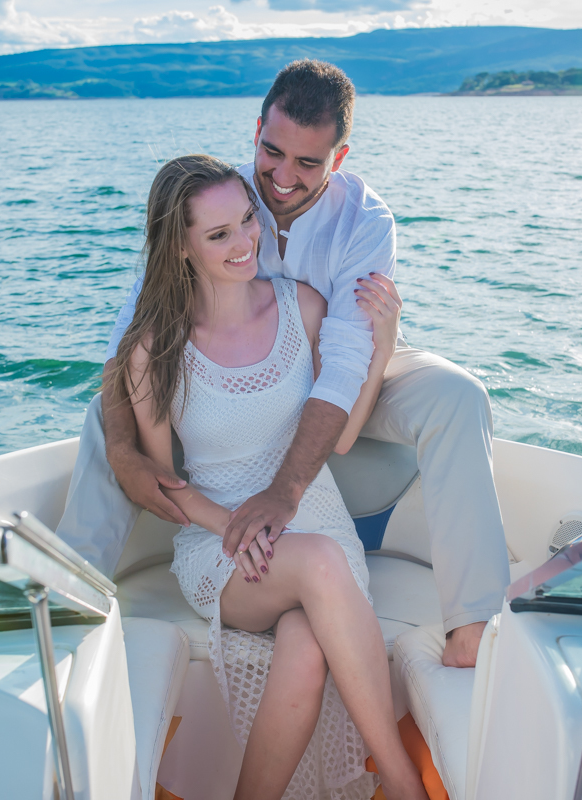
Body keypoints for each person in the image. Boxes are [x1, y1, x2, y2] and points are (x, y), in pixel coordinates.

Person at [57, 59, 511, 668]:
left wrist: (284, 492)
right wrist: (124, 455)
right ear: (256, 133)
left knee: (457, 394)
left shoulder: (366, 222)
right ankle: (61, 602)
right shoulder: (218, 200)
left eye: (308, 163)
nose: (283, 177)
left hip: (346, 370)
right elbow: (127, 336)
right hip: (235, 373)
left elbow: (349, 359)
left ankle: (472, 626)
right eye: (273, 153)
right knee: (105, 411)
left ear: (339, 159)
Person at [112, 153, 425, 799]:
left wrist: (383, 346)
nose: (246, 242)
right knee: (315, 567)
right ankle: (399, 780)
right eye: (219, 234)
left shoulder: (303, 306)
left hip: (317, 525)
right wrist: (232, 524)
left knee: (308, 643)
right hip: (223, 549)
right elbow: (161, 482)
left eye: (247, 221)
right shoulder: (154, 346)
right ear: (180, 247)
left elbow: (337, 434)